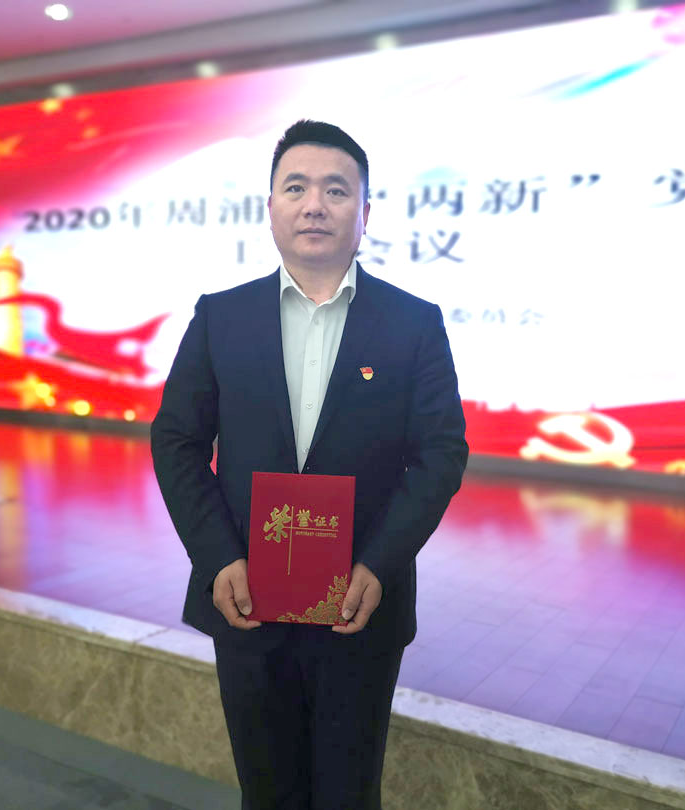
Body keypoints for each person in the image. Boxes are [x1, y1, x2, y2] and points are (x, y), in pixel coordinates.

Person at [151, 119, 468, 810]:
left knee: (349, 792)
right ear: (271, 207)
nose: (314, 205)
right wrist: (217, 557)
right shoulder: (220, 318)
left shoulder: (414, 323)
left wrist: (379, 565)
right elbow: (175, 441)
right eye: (295, 188)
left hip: (359, 602)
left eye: (336, 190)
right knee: (266, 791)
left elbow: (442, 453)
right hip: (245, 596)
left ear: (365, 212)